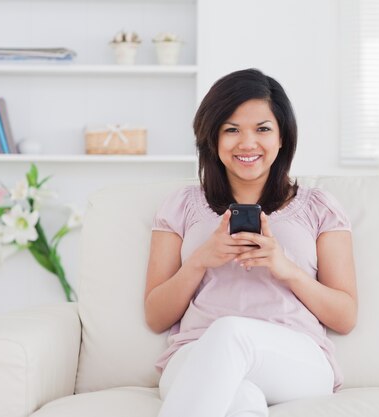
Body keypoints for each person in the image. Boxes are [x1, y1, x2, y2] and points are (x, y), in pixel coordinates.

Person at [144, 68, 357, 417]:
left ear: (282, 138)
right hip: (194, 354)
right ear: (212, 138)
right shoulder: (180, 206)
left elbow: (345, 316)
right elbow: (156, 316)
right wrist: (200, 260)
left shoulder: (320, 207)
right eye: (231, 130)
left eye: (262, 129)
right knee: (243, 401)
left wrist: (284, 268)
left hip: (295, 358)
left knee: (230, 332)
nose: (247, 143)